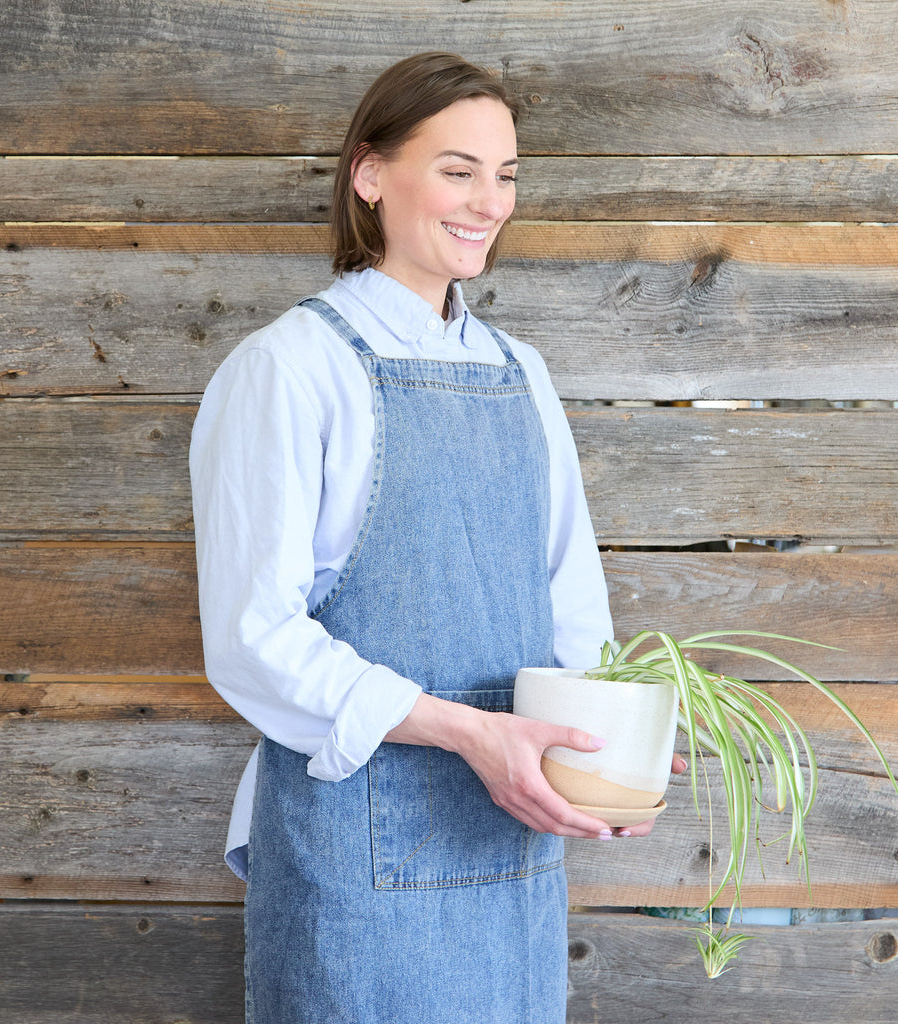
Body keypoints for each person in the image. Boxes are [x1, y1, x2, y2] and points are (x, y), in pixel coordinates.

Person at [190, 52, 679, 1024]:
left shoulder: (520, 374)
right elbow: (254, 639)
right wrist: (468, 733)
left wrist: (603, 752)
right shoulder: (289, 369)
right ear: (370, 175)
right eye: (457, 170)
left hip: (508, 844)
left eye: (504, 176)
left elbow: (568, 601)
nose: (487, 202)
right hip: (353, 853)